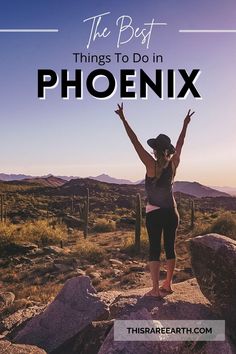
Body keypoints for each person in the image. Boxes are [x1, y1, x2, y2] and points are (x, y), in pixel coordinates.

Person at [115, 103, 195, 298]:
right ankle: (168, 283)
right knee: (170, 247)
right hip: (172, 212)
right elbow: (181, 143)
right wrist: (185, 124)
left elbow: (135, 143)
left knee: (154, 249)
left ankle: (155, 289)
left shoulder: (151, 164)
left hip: (154, 212)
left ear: (155, 150)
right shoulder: (174, 163)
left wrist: (123, 119)